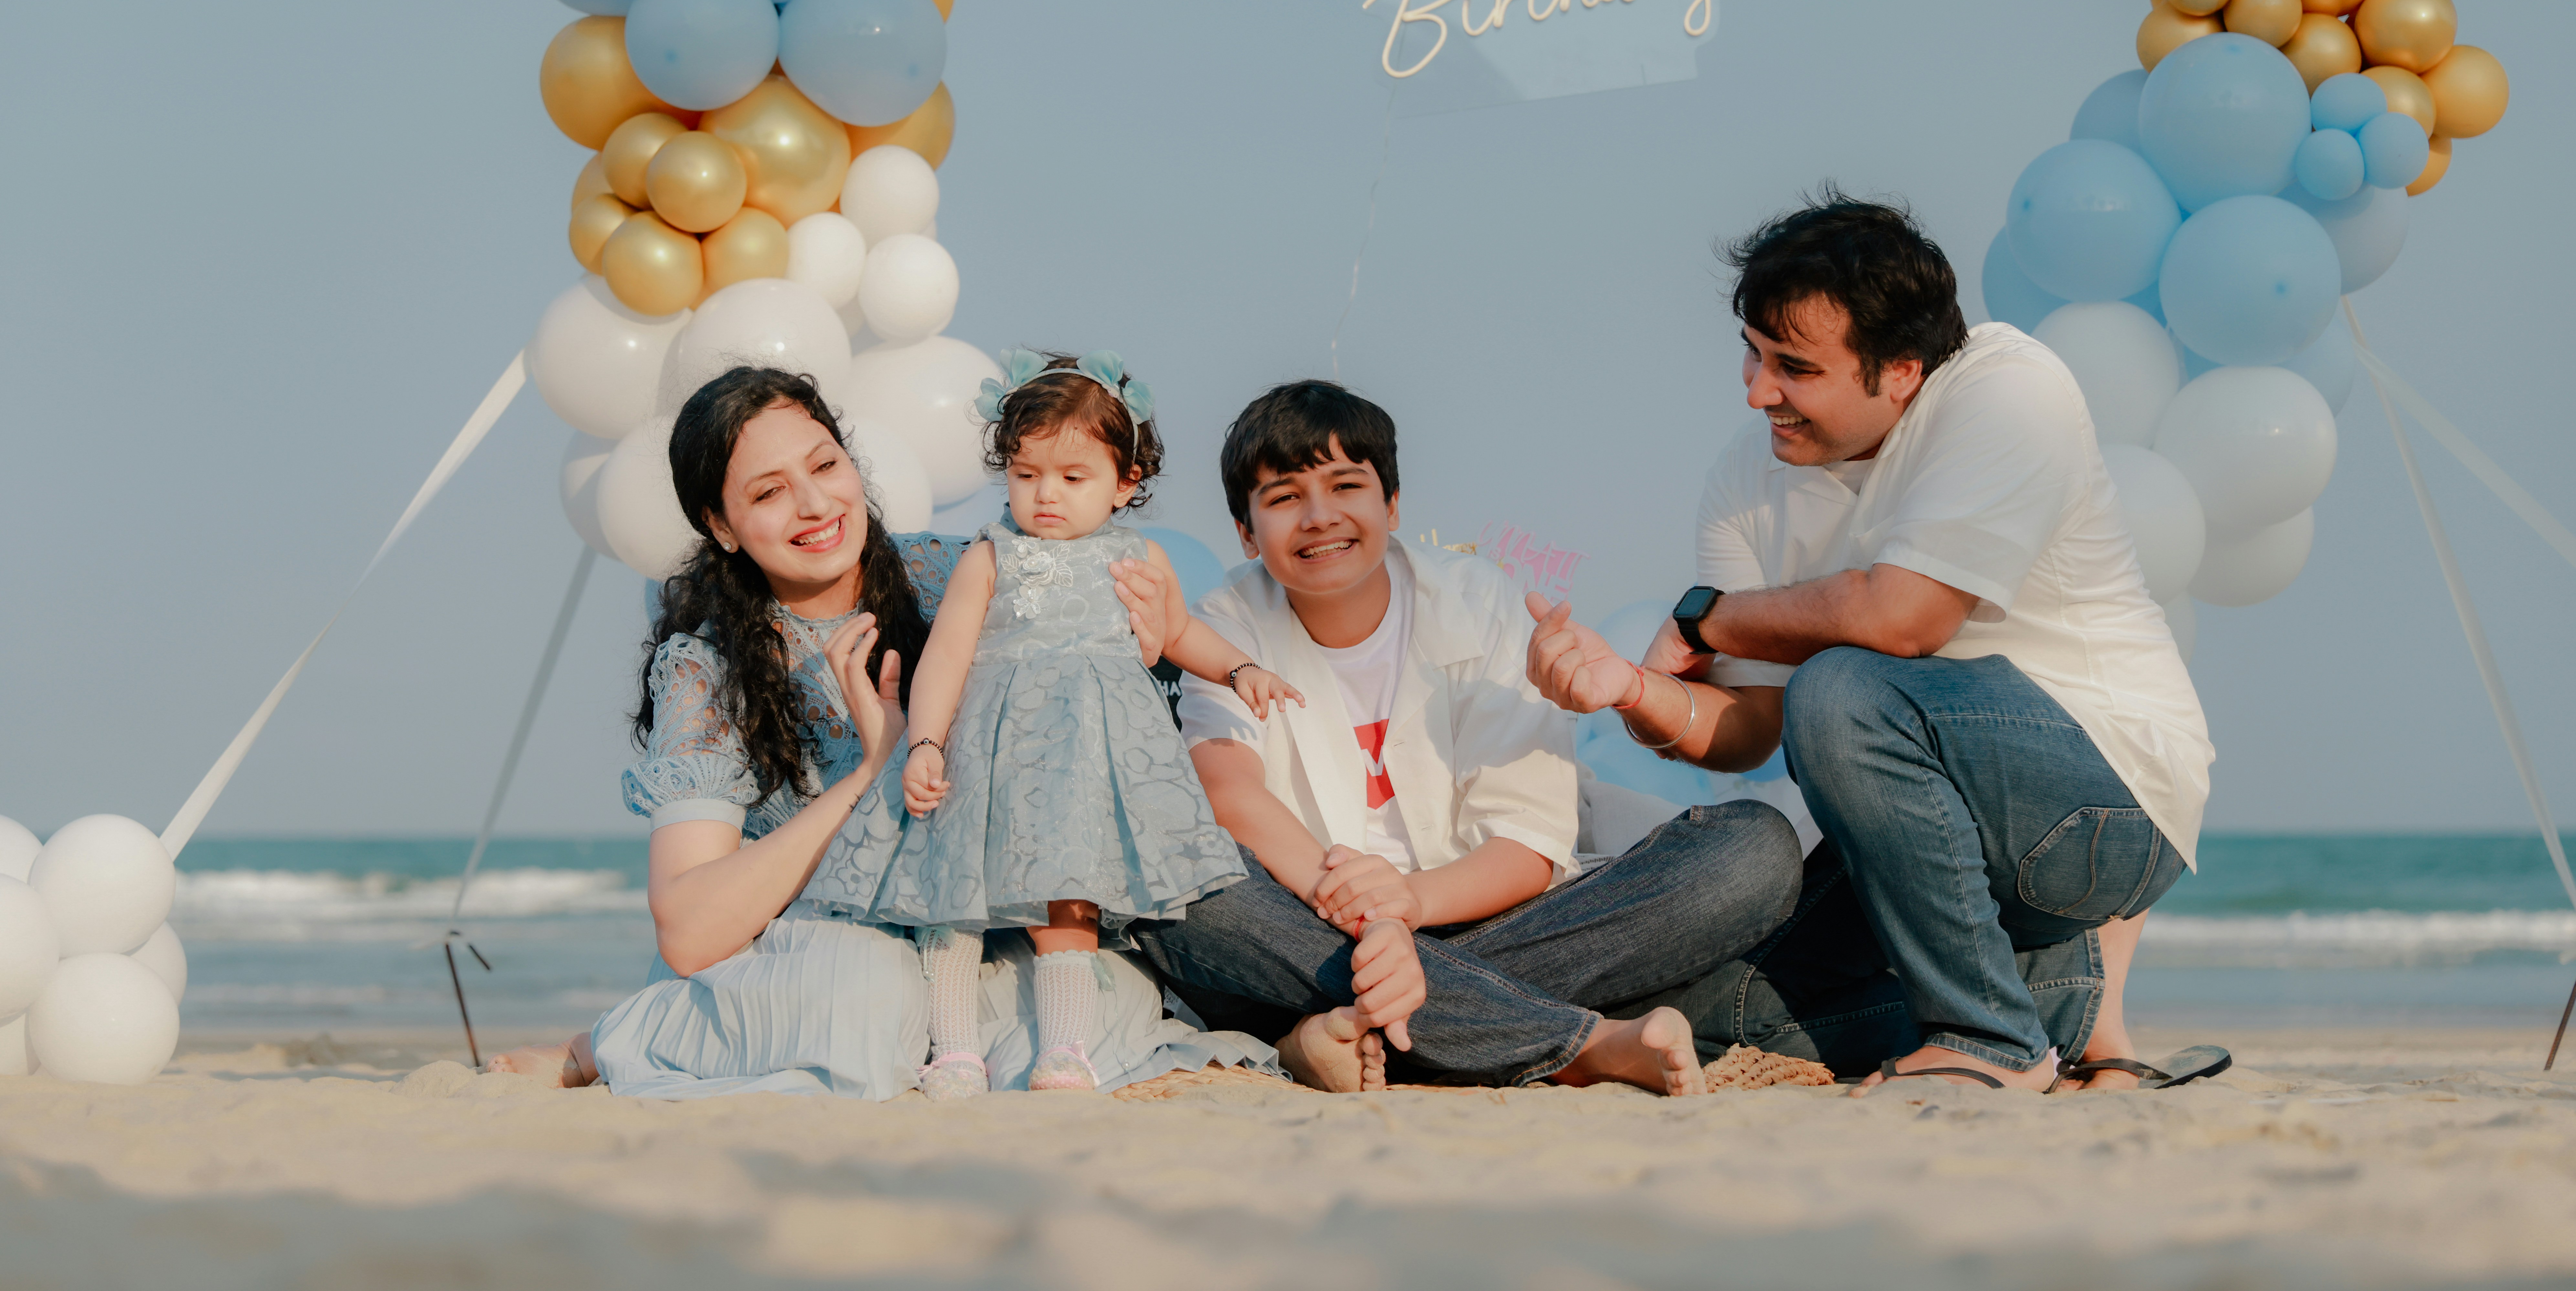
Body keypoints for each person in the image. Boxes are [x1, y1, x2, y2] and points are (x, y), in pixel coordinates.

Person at [1525, 192, 2218, 1093]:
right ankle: (2057, 1004)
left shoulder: (2008, 389)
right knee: (1718, 1011)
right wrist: (1630, 690)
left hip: (2102, 808)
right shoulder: (1746, 477)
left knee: (1841, 687)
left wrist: (1709, 617)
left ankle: (1987, 1037)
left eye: (1795, 367)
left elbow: (1903, 619)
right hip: (1921, 827)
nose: (1757, 390)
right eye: (1752, 352)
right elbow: (1752, 728)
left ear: (1901, 371)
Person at [490, 365, 1268, 1095]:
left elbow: (1100, 605)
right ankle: (615, 1040)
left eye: (825, 466)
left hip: (972, 915)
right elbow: (690, 931)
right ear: (721, 526)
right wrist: (876, 767)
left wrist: (1152, 631)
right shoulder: (710, 669)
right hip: (823, 943)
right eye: (769, 492)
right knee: (871, 993)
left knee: (1094, 1005)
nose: (814, 505)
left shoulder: (959, 572)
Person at [1128, 381, 1806, 1095]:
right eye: (1284, 497)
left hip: (1482, 921)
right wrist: (1367, 920)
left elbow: (1529, 844)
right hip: (1308, 929)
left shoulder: (1477, 598)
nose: (1319, 516)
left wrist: (1407, 906)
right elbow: (1230, 793)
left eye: (1346, 486)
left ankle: (1333, 1037)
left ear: (1392, 504)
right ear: (1246, 532)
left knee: (1752, 852)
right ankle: (1580, 1044)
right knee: (1168, 875)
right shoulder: (1224, 624)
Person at [802, 350, 1276, 1097]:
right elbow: (947, 656)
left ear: (1126, 484)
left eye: (1072, 478)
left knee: (1069, 899)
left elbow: (1181, 633)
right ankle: (954, 1050)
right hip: (987, 754)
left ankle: (1064, 1048)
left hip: (1081, 762)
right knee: (952, 895)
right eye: (1026, 476)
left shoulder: (1139, 557)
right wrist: (925, 742)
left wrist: (1241, 669)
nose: (1045, 495)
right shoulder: (993, 557)